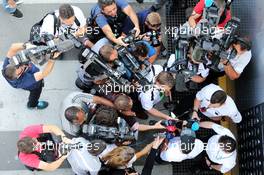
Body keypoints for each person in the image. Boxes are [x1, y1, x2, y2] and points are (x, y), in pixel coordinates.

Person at [2, 43, 60, 109]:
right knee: (35, 94)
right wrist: (52, 59)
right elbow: (44, 73)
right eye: (21, 67)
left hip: (18, 79)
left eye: (19, 64)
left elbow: (13, 47)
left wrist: (26, 45)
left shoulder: (6, 66)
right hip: (34, 86)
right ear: (18, 76)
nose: (23, 64)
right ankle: (32, 105)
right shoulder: (24, 81)